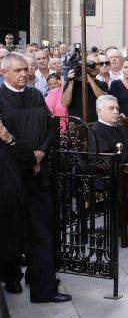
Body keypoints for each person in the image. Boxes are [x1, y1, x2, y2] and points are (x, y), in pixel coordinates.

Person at [0, 52, 70, 303]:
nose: (23, 74)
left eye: (25, 70)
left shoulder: (35, 94)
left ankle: (43, 288)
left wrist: (40, 154)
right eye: (17, 70)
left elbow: (51, 126)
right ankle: (11, 278)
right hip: (13, 178)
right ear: (4, 72)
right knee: (11, 232)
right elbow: (4, 138)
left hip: (40, 175)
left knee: (43, 232)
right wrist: (29, 159)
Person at [88, 95, 128, 250]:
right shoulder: (96, 131)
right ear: (99, 111)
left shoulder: (118, 127)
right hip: (111, 175)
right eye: (111, 108)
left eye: (117, 108)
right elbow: (102, 161)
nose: (116, 112)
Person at [0, 122, 37, 318]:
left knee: (11, 240)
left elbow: (28, 159)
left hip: (12, 204)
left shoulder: (5, 136)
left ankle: (12, 275)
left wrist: (9, 139)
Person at [61, 54, 108, 122]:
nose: (95, 67)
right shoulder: (72, 83)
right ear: (84, 66)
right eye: (91, 64)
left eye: (98, 64)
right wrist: (70, 83)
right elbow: (65, 103)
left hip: (96, 126)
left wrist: (91, 82)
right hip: (77, 126)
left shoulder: (102, 84)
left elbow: (104, 101)